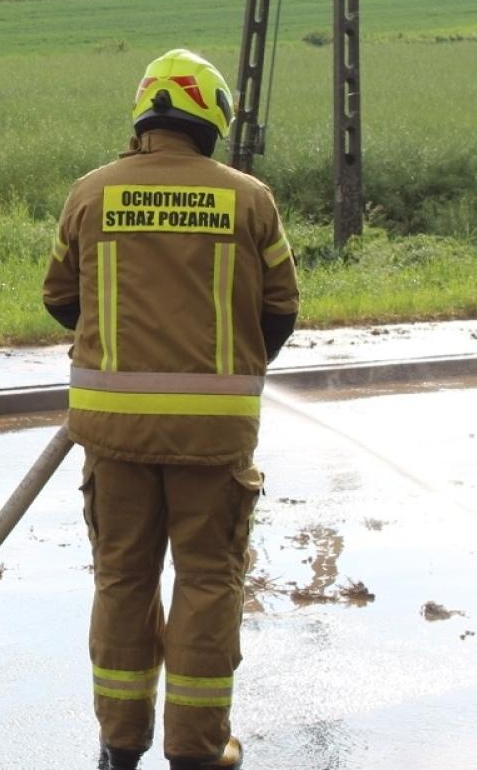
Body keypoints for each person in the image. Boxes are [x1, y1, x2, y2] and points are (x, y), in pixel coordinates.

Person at [41, 49, 299, 770]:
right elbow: (281, 310)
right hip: (214, 436)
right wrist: (227, 366)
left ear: (145, 115)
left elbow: (61, 300)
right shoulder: (251, 199)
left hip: (113, 433)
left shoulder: (90, 194)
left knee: (121, 579)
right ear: (211, 117)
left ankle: (119, 746)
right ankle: (197, 751)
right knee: (209, 582)